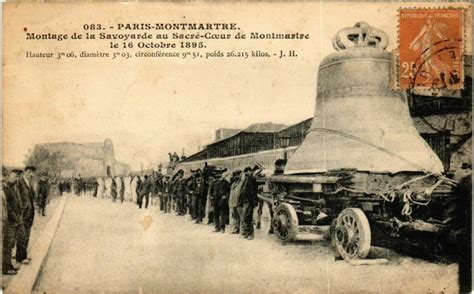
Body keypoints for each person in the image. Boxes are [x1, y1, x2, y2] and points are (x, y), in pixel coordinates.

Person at [3, 169, 24, 275]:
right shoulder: (5, 188)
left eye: (17, 177)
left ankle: (9, 266)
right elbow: (8, 207)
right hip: (10, 221)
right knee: (8, 245)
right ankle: (6, 268)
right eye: (14, 176)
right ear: (7, 176)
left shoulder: (12, 187)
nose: (16, 178)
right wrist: (15, 217)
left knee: (11, 244)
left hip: (15, 220)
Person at [16, 166, 36, 264]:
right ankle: (21, 257)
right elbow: (17, 197)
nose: (30, 174)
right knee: (22, 235)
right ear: (25, 172)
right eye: (28, 172)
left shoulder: (30, 183)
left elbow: (33, 196)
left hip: (30, 213)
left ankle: (23, 255)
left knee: (27, 234)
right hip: (23, 213)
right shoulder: (19, 182)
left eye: (32, 173)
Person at [239, 166, 259, 240]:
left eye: (247, 172)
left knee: (247, 217)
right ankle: (247, 233)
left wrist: (255, 201)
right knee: (245, 217)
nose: (247, 173)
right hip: (246, 200)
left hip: (249, 201)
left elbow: (253, 191)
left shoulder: (251, 179)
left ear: (249, 171)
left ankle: (250, 234)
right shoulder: (246, 179)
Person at [228, 170, 245, 234]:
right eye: (235, 175)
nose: (236, 177)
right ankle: (236, 229)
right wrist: (230, 203)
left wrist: (241, 173)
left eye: (237, 175)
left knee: (242, 217)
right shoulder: (233, 184)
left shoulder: (241, 182)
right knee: (235, 217)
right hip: (233, 203)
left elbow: (243, 177)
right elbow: (231, 194)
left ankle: (242, 230)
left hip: (239, 202)